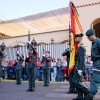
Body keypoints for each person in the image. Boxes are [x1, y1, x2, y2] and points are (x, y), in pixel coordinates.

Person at [83, 29, 100, 100]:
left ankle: (90, 96)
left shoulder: (98, 42)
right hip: (96, 63)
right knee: (95, 80)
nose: (88, 38)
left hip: (98, 64)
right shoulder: (94, 42)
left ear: (93, 34)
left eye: (88, 36)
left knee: (95, 80)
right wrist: (90, 56)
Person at [72, 33, 89, 100]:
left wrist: (80, 69)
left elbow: (82, 59)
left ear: (80, 38)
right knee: (78, 81)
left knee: (75, 81)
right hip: (78, 65)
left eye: (77, 38)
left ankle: (87, 92)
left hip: (79, 66)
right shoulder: (80, 46)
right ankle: (80, 96)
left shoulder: (81, 47)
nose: (75, 39)